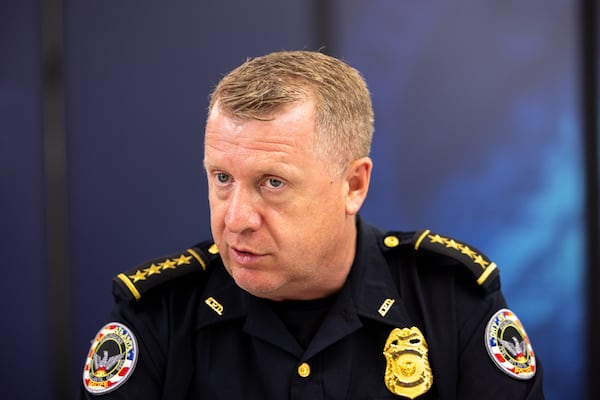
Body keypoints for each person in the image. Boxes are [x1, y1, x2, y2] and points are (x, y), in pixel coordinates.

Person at [80, 50, 544, 399]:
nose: (237, 219)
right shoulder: (159, 315)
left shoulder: (450, 301)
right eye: (222, 178)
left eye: (273, 183)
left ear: (353, 185)